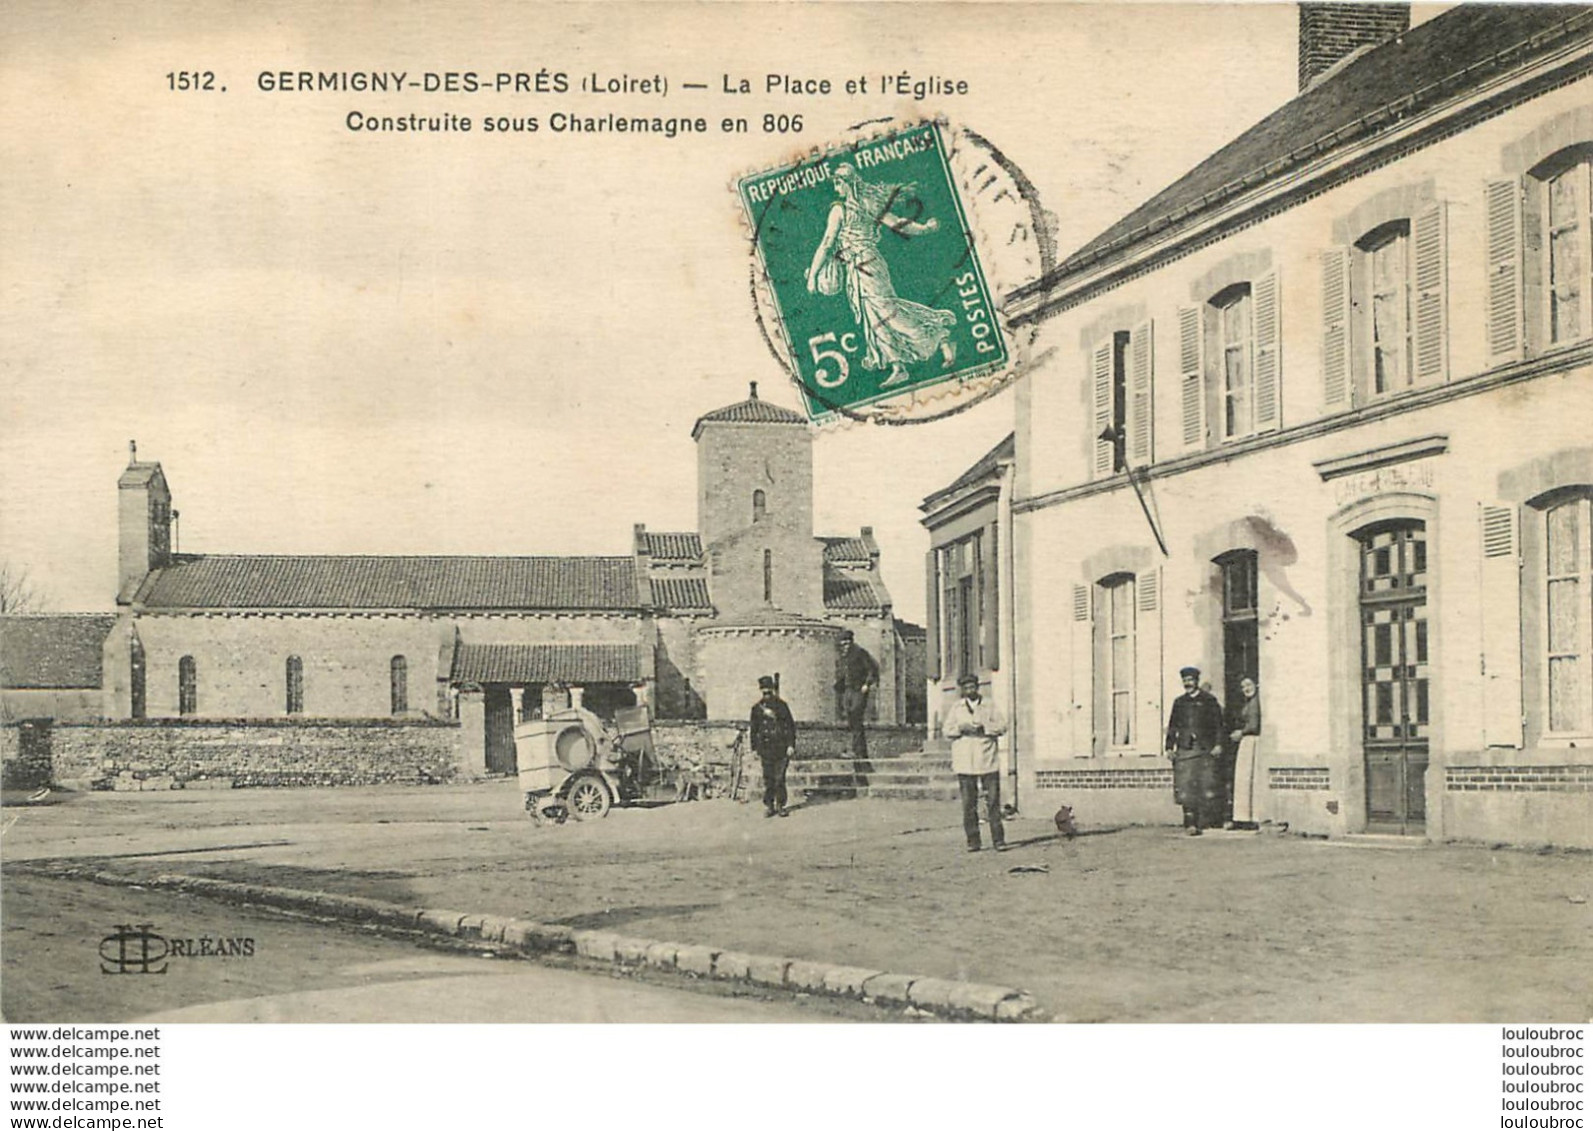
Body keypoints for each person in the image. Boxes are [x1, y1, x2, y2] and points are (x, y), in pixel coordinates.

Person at [804, 163, 958, 389]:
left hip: (867, 265)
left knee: (887, 311)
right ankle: (897, 366)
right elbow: (897, 224)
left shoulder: (843, 209)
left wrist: (812, 276)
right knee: (873, 316)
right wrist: (924, 228)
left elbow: (828, 243)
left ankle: (939, 336)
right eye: (835, 182)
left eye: (839, 182)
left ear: (850, 183)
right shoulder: (863, 205)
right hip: (858, 268)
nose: (836, 186)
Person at [948, 673, 1008, 852]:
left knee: (993, 801)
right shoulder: (956, 707)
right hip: (965, 760)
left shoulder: (989, 705)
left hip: (987, 757)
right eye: (966, 688)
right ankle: (973, 841)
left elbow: (1003, 726)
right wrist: (960, 728)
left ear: (977, 687)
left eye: (972, 687)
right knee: (968, 803)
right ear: (962, 690)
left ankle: (998, 840)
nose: (970, 690)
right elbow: (947, 729)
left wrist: (986, 728)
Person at [1164, 665, 1225, 835]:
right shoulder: (1179, 702)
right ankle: (1190, 823)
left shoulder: (1209, 701)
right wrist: (1169, 747)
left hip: (1204, 748)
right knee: (1185, 786)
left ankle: (1203, 821)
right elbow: (1172, 726)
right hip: (1185, 748)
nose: (1187, 683)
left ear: (1196, 681)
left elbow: (1219, 725)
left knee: (1205, 784)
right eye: (1185, 680)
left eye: (1190, 680)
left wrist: (1218, 744)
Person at [748, 675, 796, 818]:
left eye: (769, 692)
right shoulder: (757, 708)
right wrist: (754, 748)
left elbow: (790, 726)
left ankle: (781, 805)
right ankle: (769, 805)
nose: (767, 695)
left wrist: (791, 745)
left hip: (781, 747)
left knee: (779, 778)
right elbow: (754, 729)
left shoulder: (782, 706)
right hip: (766, 748)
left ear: (773, 690)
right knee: (768, 778)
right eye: (764, 692)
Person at [835, 631, 878, 759]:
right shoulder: (844, 657)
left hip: (859, 689)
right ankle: (859, 751)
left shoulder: (860, 653)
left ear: (851, 642)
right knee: (850, 717)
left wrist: (867, 684)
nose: (845, 646)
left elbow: (872, 669)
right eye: (843, 643)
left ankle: (858, 750)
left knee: (855, 715)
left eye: (847, 643)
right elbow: (842, 674)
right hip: (848, 690)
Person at [1227, 676, 1262, 830]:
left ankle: (1251, 817)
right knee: (1243, 778)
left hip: (1252, 740)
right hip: (1247, 741)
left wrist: (1241, 732)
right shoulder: (1249, 703)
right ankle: (1243, 817)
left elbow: (1254, 725)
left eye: (1248, 684)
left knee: (1248, 777)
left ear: (1256, 684)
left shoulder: (1256, 702)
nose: (1246, 689)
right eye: (1243, 687)